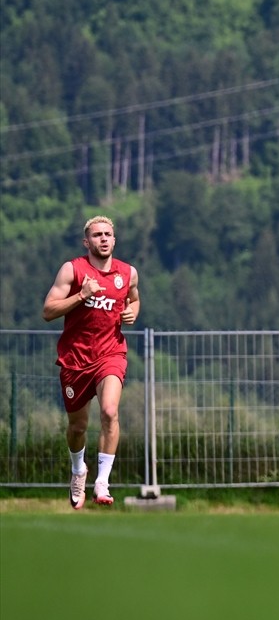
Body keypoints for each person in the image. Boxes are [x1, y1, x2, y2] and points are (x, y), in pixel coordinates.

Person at [41, 215, 141, 509]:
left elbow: (134, 299)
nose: (103, 239)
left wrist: (132, 311)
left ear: (114, 239)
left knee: (110, 412)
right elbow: (48, 310)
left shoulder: (128, 273)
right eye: (97, 235)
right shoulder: (73, 270)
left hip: (111, 354)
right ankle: (78, 470)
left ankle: (102, 481)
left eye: (108, 234)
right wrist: (81, 296)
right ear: (87, 241)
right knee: (78, 427)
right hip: (75, 359)